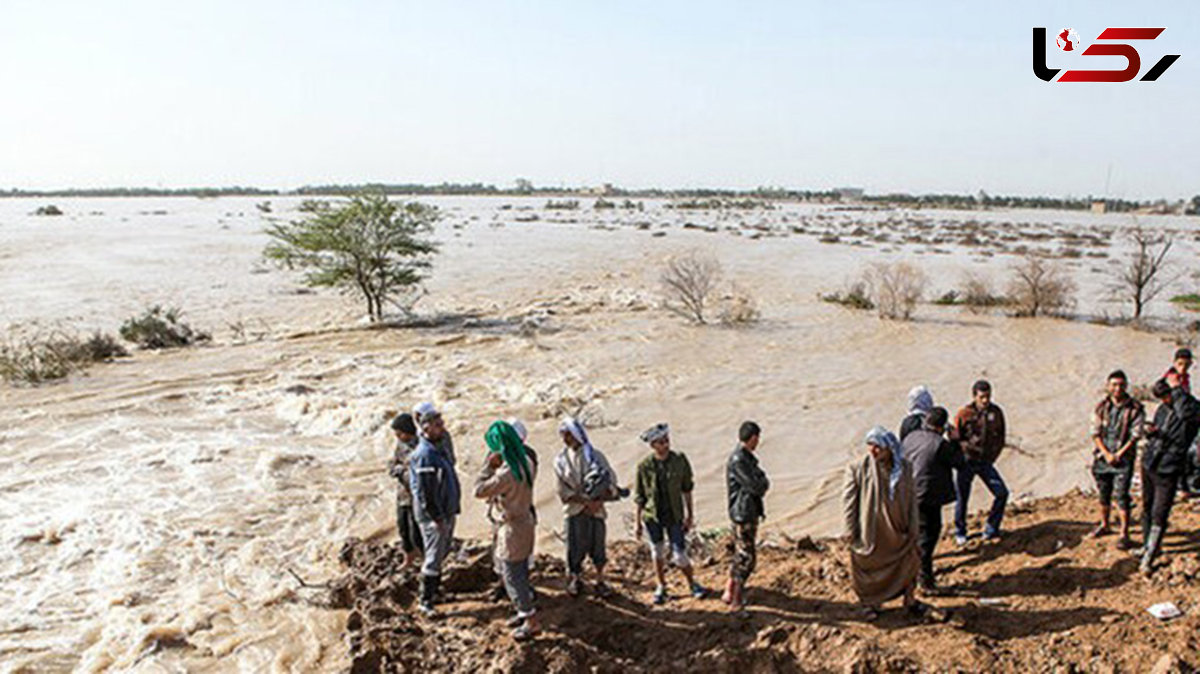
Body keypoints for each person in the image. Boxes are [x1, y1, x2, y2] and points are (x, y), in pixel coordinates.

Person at [842, 427, 933, 621]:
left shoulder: (905, 468)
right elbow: (849, 501)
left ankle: (909, 599)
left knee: (909, 560)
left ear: (889, 448)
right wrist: (850, 529)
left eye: (878, 447)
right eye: (870, 446)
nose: (873, 451)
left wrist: (913, 527)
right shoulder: (857, 468)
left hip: (899, 527)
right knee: (867, 567)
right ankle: (868, 603)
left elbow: (911, 500)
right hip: (872, 529)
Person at [474, 421, 540, 641]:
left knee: (512, 575)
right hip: (525, 521)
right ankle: (523, 612)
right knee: (520, 571)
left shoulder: (507, 472)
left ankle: (530, 620)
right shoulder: (526, 461)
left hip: (511, 528)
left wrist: (488, 465)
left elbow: (479, 490)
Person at [635, 423, 708, 604]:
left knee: (680, 555)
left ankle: (693, 583)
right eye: (660, 442)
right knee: (657, 552)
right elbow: (640, 497)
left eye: (666, 441)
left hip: (674, 515)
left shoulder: (679, 460)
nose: (665, 445)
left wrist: (690, 515)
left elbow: (687, 489)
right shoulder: (644, 466)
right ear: (653, 445)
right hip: (653, 517)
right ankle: (661, 586)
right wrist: (637, 523)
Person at [1134, 374, 1200, 574]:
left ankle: (1149, 557)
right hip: (1151, 462)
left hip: (1169, 468)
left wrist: (1177, 389)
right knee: (1147, 507)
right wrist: (1152, 432)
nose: (1164, 401)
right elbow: (1161, 425)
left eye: (1167, 395)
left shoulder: (1192, 409)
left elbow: (1184, 415)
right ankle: (1148, 546)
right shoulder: (1164, 408)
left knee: (1159, 513)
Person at [554, 417, 622, 598]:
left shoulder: (595, 456)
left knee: (598, 547)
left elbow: (610, 482)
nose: (565, 439)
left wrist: (597, 502)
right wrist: (585, 502)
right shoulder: (560, 460)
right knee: (574, 548)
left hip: (596, 510)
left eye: (568, 435)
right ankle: (576, 579)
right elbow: (562, 491)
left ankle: (600, 581)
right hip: (575, 510)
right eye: (564, 435)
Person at [901, 407, 963, 595]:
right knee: (928, 537)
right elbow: (960, 462)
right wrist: (955, 440)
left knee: (913, 535)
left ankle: (911, 573)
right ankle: (925, 582)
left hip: (907, 493)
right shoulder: (940, 444)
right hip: (928, 496)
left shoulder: (911, 437)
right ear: (942, 426)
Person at [409, 405, 462, 616]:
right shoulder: (425, 455)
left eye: (442, 424)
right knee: (432, 556)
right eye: (438, 425)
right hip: (434, 516)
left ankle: (435, 593)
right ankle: (426, 601)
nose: (442, 428)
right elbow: (425, 493)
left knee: (440, 552)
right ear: (426, 428)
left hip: (446, 510)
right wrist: (437, 517)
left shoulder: (437, 447)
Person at [1088, 370, 1144, 549]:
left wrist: (1119, 453)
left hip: (1123, 459)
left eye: (1120, 385)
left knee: (1121, 495)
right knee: (1103, 493)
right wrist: (1106, 453)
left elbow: (1136, 435)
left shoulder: (1135, 408)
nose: (1117, 388)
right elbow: (1094, 433)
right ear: (1108, 386)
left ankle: (1124, 533)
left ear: (1126, 386)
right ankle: (1105, 525)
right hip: (1102, 458)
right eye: (1114, 384)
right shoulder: (1101, 407)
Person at [487, 418, 539, 602]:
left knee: (516, 558)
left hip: (512, 514)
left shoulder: (523, 458)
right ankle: (505, 586)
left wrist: (492, 467)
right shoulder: (517, 458)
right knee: (502, 554)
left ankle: (520, 595)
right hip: (504, 513)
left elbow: (484, 487)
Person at [953, 380, 1008, 545]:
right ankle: (960, 532)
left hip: (985, 462)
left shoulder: (996, 412)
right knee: (962, 498)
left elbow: (1001, 436)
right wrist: (960, 458)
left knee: (1002, 493)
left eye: (988, 396)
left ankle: (991, 529)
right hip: (967, 462)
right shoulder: (964, 414)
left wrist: (993, 457)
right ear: (974, 396)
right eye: (982, 397)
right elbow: (955, 437)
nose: (985, 400)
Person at [724, 421, 769, 611]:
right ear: (753, 438)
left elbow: (760, 480)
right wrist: (763, 482)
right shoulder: (740, 460)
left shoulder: (744, 457)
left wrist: (762, 481)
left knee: (739, 555)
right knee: (747, 559)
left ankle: (729, 592)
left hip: (743, 511)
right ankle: (737, 600)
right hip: (744, 513)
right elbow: (757, 485)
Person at [387, 412, 423, 566]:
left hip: (417, 495)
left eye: (399, 433)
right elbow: (391, 465)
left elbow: (419, 472)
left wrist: (403, 470)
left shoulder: (421, 446)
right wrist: (400, 469)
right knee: (402, 528)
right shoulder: (400, 445)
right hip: (402, 494)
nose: (397, 436)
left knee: (417, 530)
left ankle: (424, 559)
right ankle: (408, 556)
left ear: (407, 432)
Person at [414, 401, 456, 465]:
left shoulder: (442, 434)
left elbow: (449, 457)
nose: (417, 419)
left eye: (419, 415)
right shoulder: (416, 434)